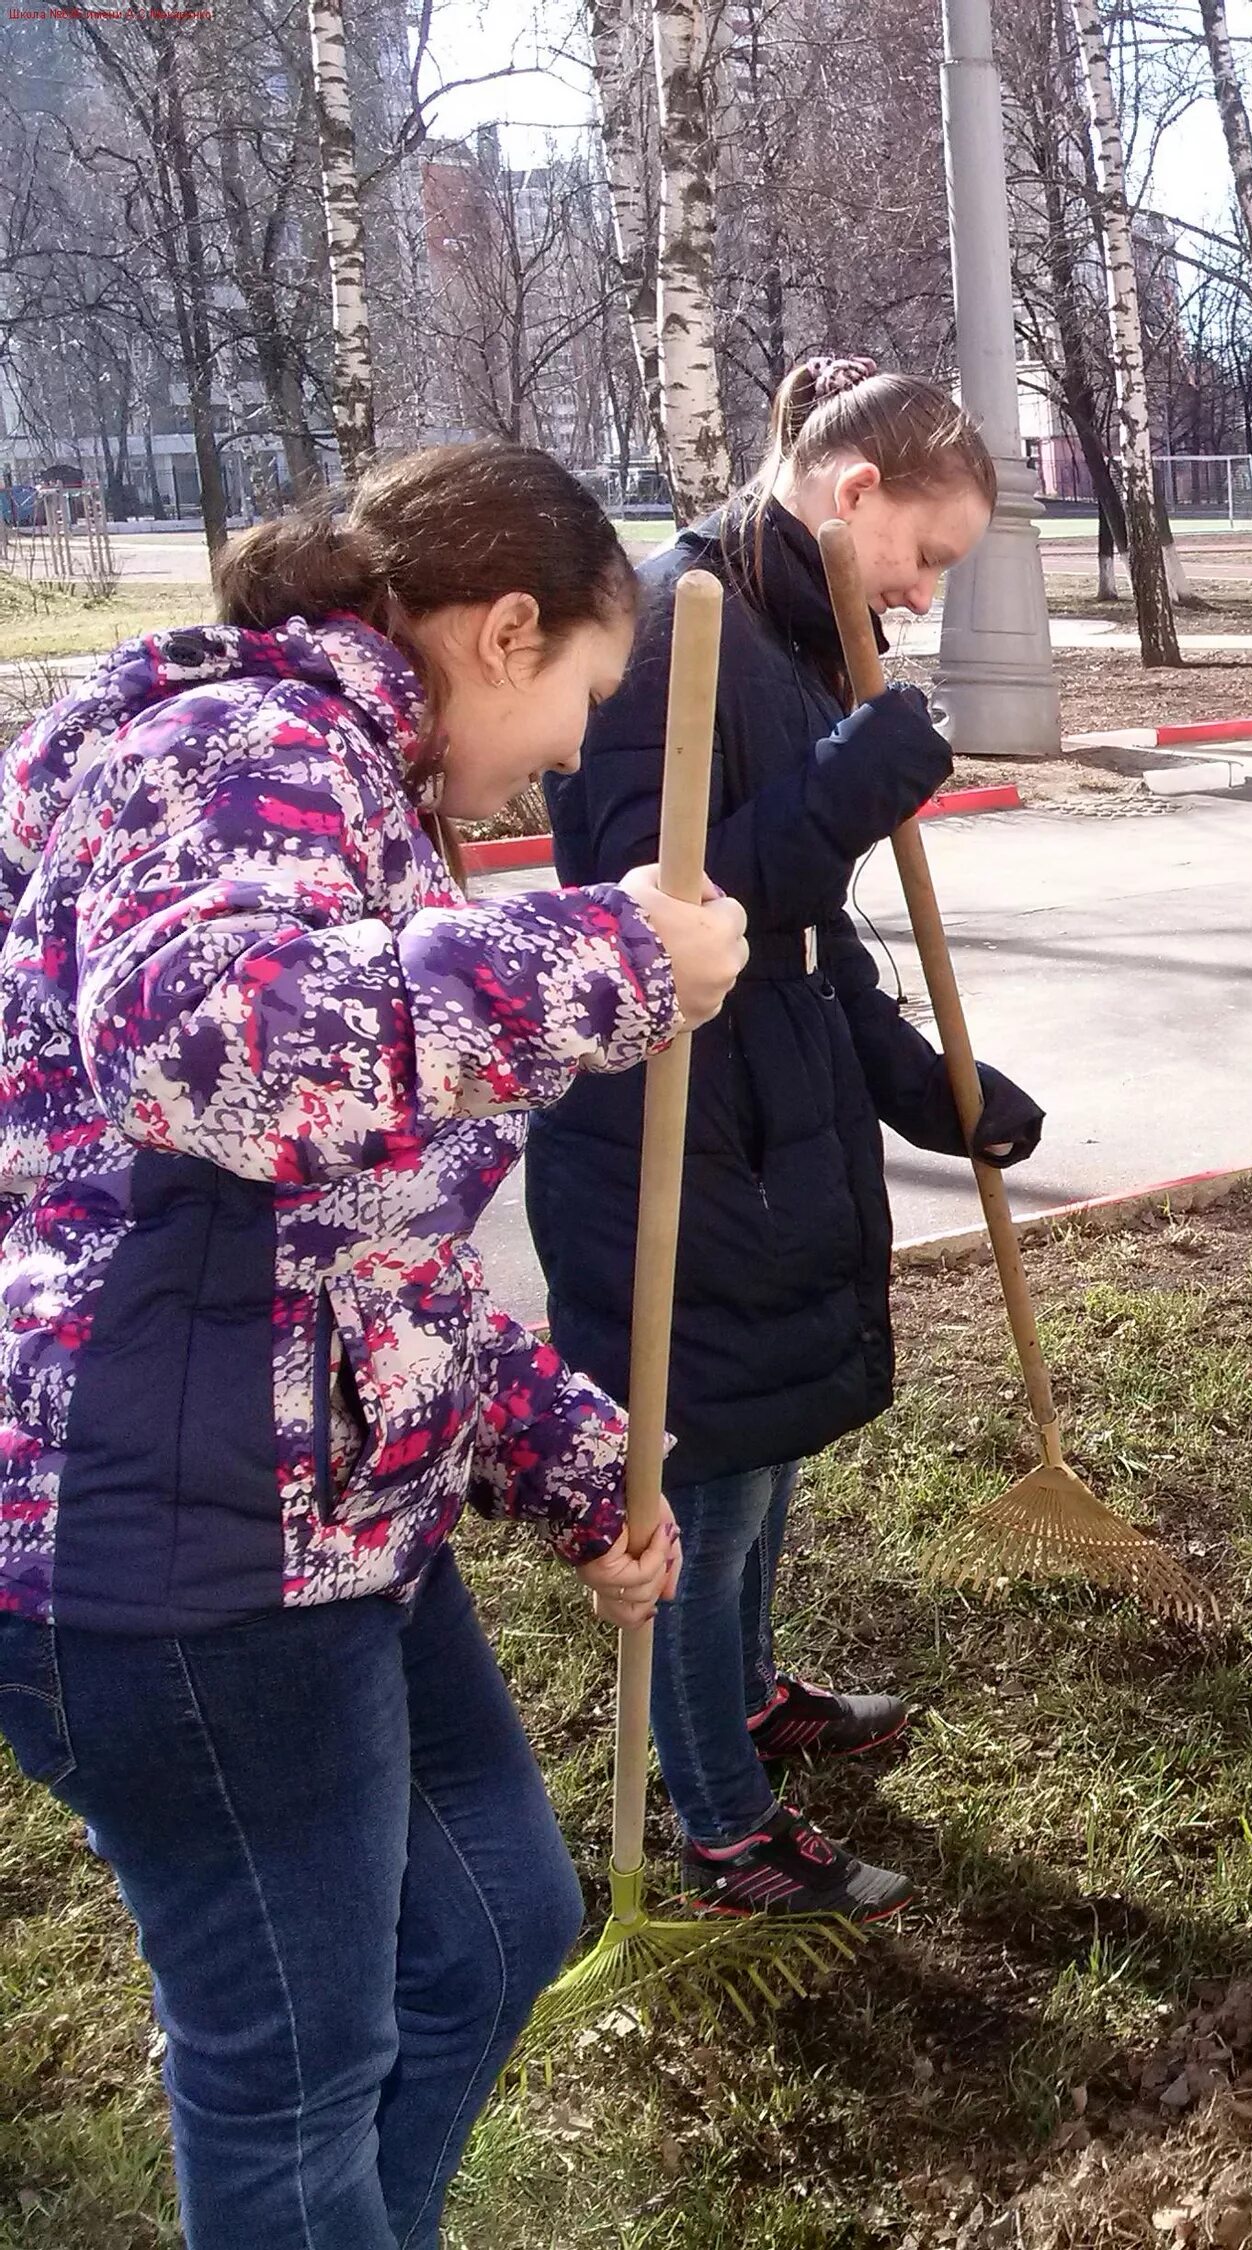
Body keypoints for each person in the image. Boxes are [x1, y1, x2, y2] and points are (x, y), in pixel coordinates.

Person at [0, 442, 748, 2248]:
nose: (579, 751)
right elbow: (206, 1044)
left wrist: (583, 1469)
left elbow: (355, 1239)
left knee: (497, 1925)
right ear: (503, 631)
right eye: (581, 692)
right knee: (292, 2071)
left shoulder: (345, 781)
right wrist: (602, 968)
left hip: (319, 1518)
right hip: (174, 1551)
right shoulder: (241, 753)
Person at [527, 355, 1044, 1921]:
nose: (925, 591)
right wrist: (843, 783)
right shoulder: (675, 619)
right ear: (853, 491)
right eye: (926, 557)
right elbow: (650, 907)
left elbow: (812, 937)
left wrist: (922, 1081)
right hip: (681, 1139)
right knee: (715, 1474)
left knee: (771, 1452)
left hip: (779, 1108)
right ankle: (724, 1825)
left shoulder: (806, 630)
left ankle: (746, 1694)